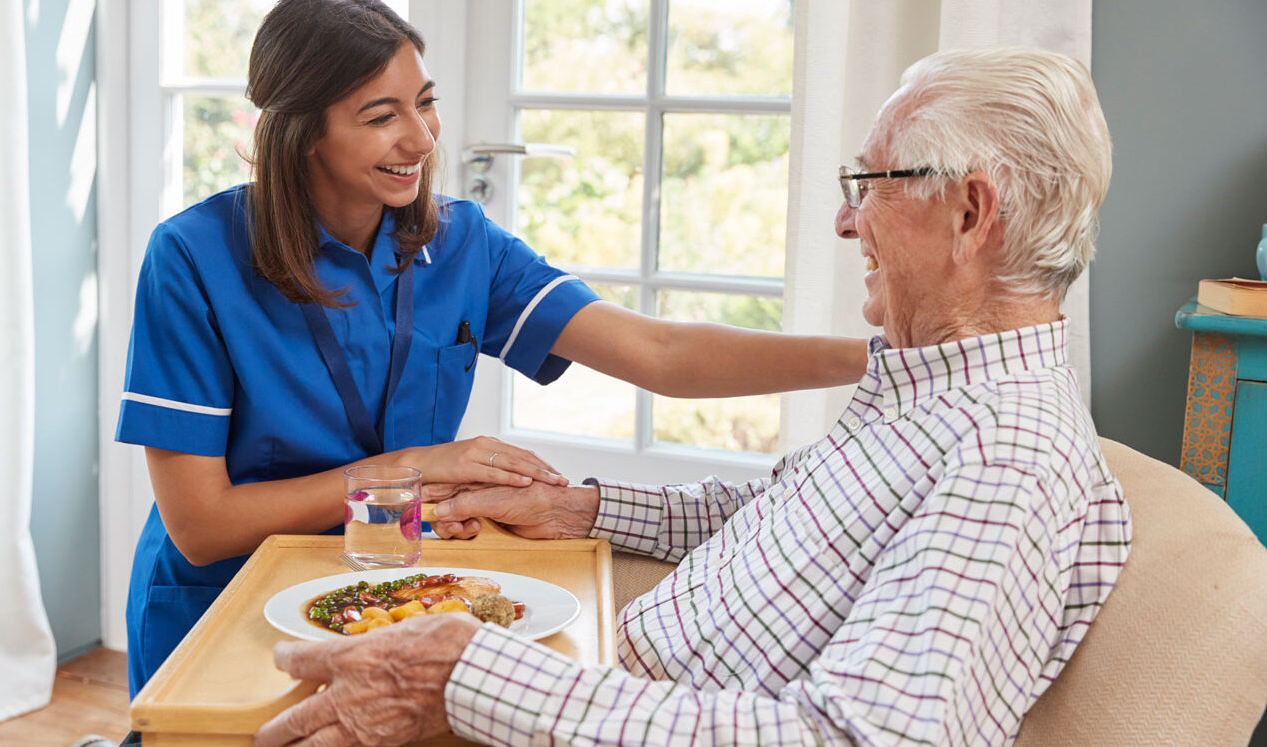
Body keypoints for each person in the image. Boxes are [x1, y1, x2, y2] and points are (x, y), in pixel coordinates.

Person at [253, 46, 1133, 746]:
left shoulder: (1006, 454)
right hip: (603, 669)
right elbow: (786, 515)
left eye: (867, 185)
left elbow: (865, 737)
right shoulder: (935, 395)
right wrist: (582, 507)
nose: (843, 220)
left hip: (605, 699)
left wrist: (464, 676)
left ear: (971, 214)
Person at [114, 0, 868, 700]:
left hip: (391, 588)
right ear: (303, 132)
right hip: (226, 603)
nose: (421, 136)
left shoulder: (462, 242)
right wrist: (408, 468)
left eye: (425, 101)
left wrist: (878, 353)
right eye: (382, 116)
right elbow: (201, 524)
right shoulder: (192, 258)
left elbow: (659, 352)